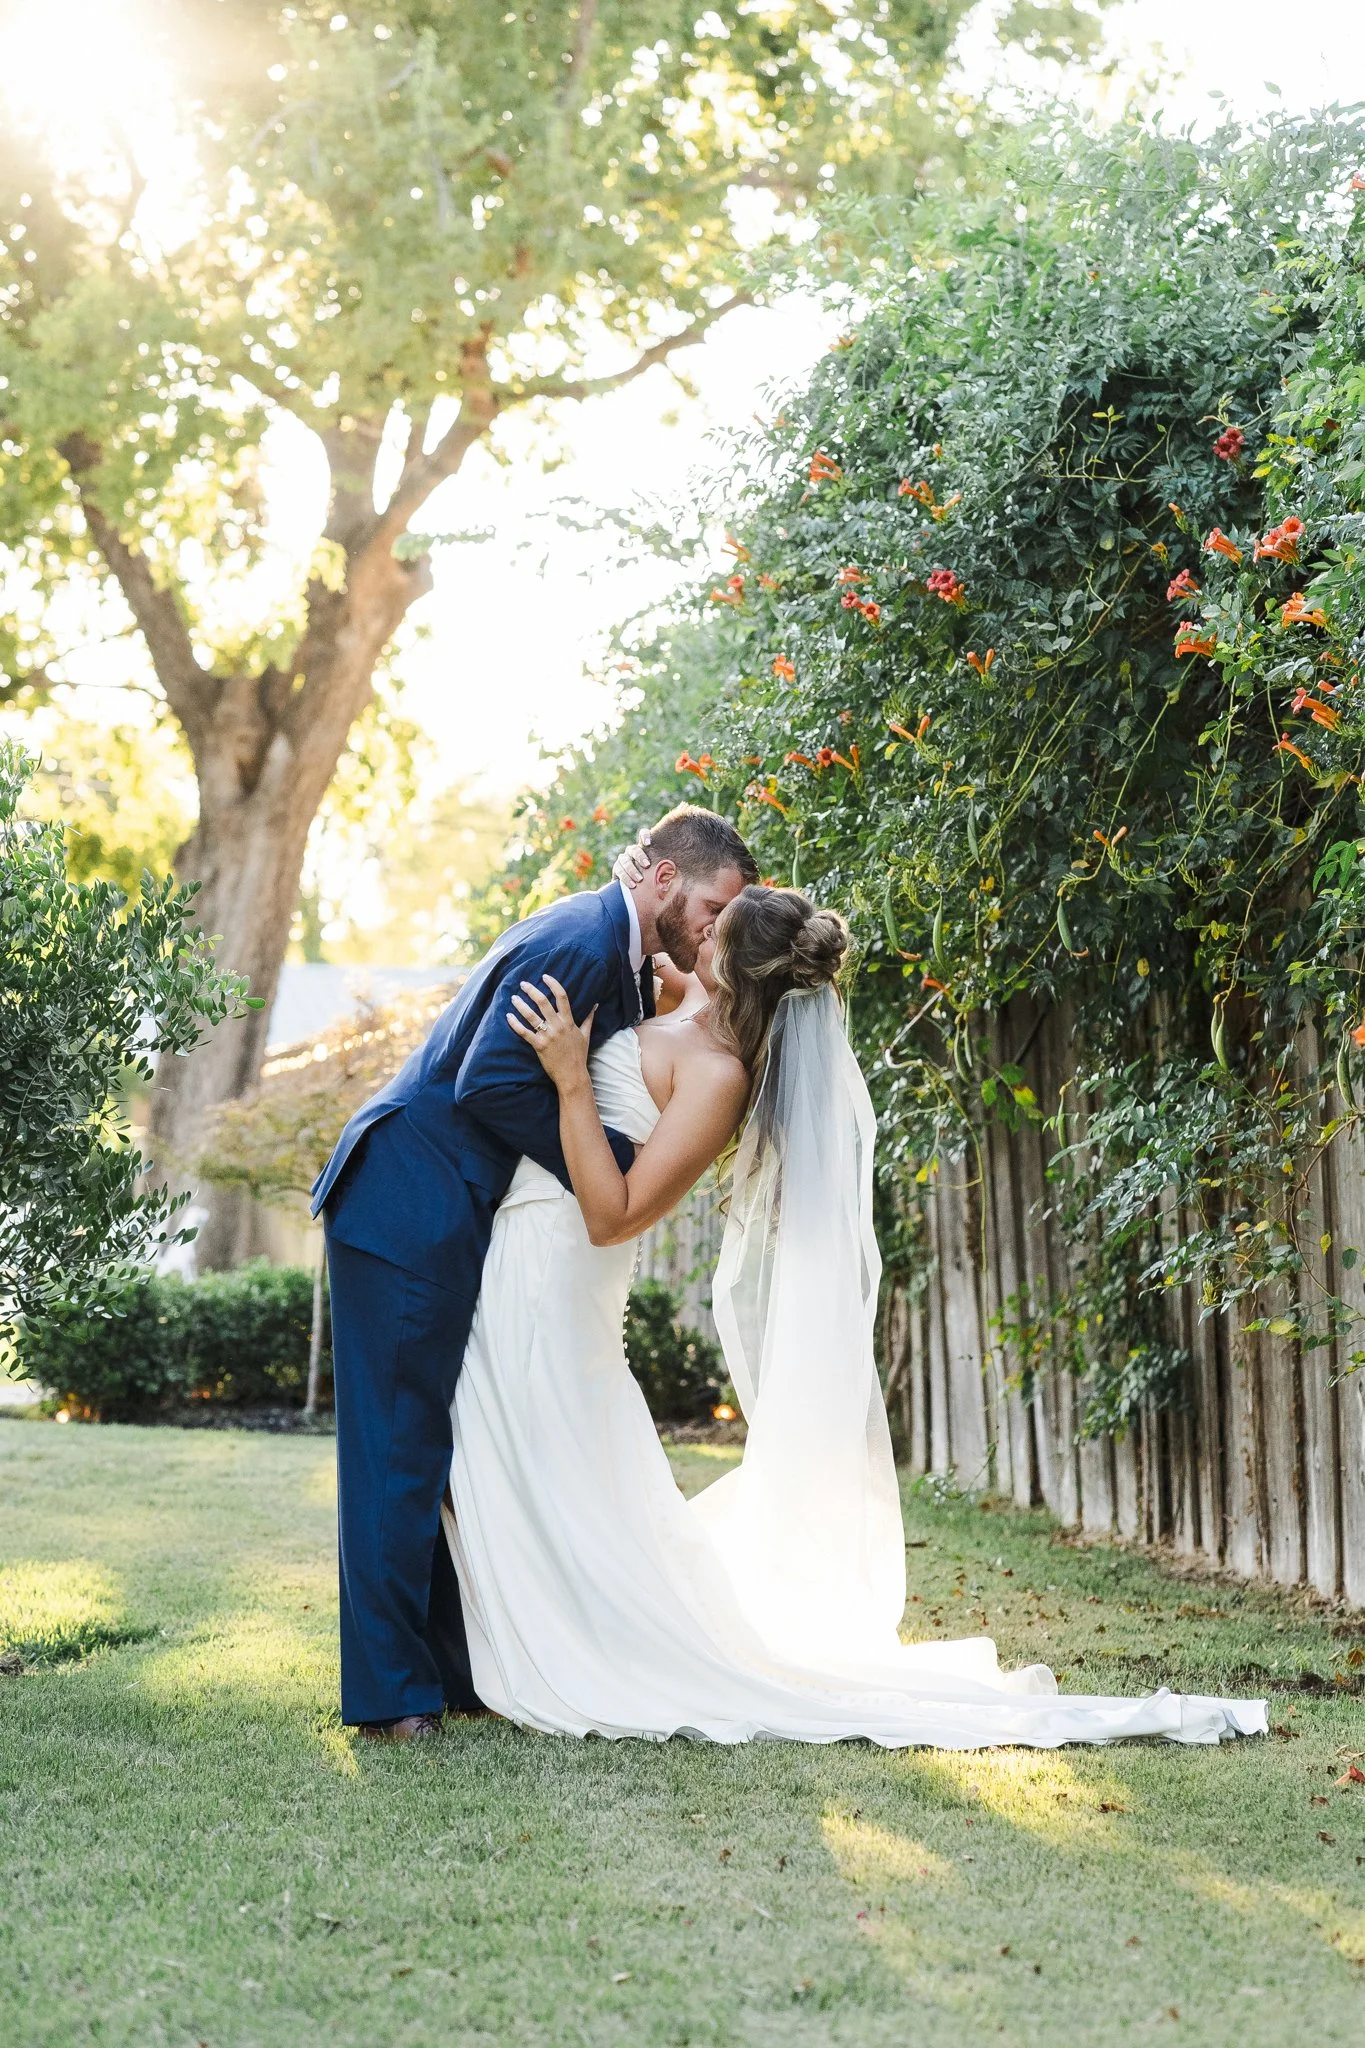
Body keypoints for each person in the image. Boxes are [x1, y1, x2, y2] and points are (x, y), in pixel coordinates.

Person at [441, 881, 1268, 1749]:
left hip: (568, 1263)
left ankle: (570, 1638)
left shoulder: (719, 1077)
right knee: (550, 1450)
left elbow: (615, 1211)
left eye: (710, 928)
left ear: (733, 965)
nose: (692, 933)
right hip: (526, 1244)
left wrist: (573, 1080)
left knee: (544, 1436)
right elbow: (645, 956)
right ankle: (524, 1619)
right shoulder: (686, 999)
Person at [311, 806, 756, 1739]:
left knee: (426, 1448)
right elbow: (487, 1081)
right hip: (406, 1201)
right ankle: (392, 1700)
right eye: (713, 905)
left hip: (437, 1207)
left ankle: (443, 1669)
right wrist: (618, 1156)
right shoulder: (586, 939)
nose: (714, 929)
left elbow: (634, 1025)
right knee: (396, 1454)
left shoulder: (617, 947)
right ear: (666, 880)